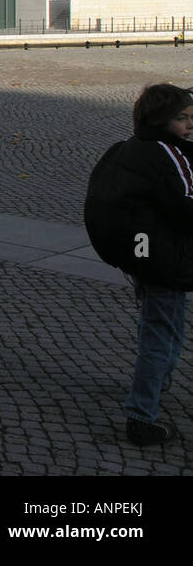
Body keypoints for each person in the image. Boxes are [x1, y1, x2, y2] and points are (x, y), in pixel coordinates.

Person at [85, 83, 193, 445]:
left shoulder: (128, 149)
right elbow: (185, 211)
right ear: (161, 121)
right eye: (182, 118)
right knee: (161, 336)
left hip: (139, 260)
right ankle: (142, 415)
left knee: (166, 329)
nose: (190, 125)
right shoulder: (171, 156)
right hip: (166, 263)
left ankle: (154, 386)